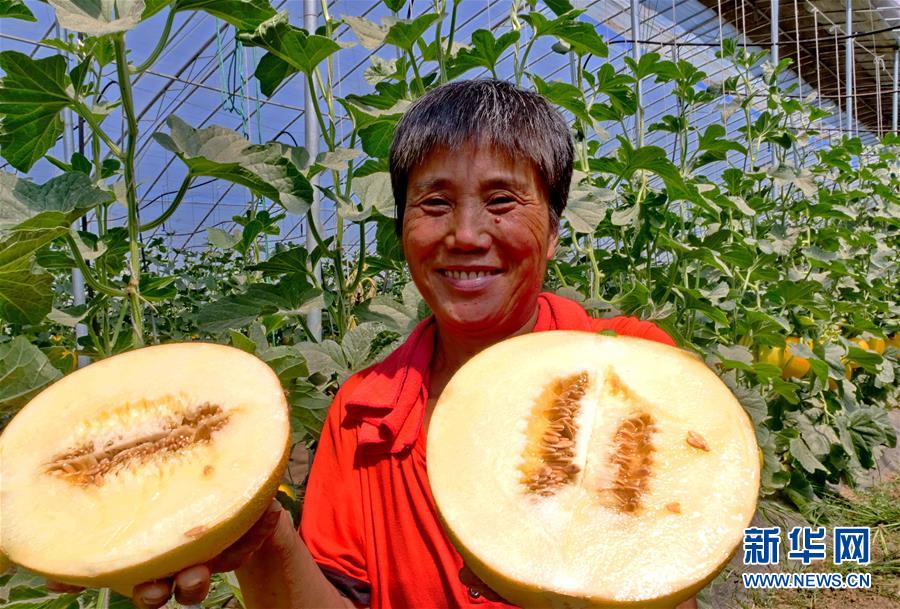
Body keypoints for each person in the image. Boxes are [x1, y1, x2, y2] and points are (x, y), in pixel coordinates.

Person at [49, 79, 695, 609]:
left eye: (501, 200)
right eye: (434, 203)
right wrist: (265, 535)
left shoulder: (643, 366)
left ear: (554, 230)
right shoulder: (361, 414)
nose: (466, 233)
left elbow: (672, 555)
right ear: (402, 229)